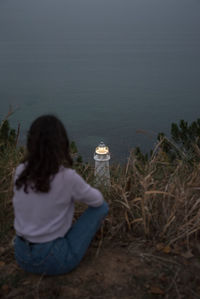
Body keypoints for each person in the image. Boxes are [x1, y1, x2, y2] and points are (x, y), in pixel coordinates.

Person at [12, 115, 109, 276]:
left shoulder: (20, 170)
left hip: (22, 255)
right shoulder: (67, 177)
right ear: (61, 144)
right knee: (102, 207)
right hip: (52, 260)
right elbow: (98, 201)